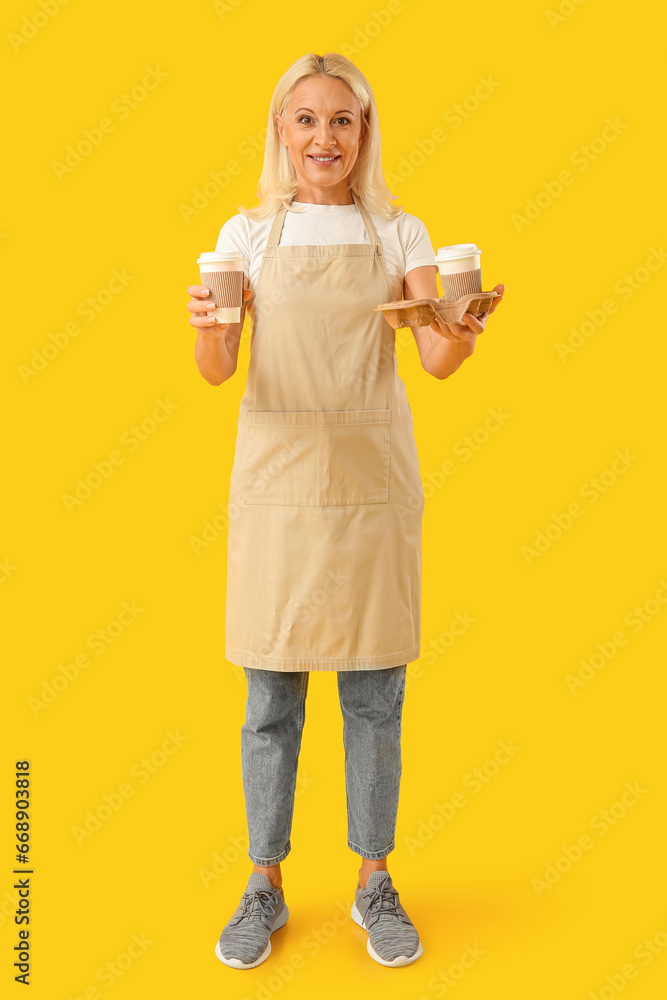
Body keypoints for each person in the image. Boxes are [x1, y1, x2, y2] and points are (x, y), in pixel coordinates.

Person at [187, 52, 504, 972]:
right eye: (306, 119)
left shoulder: (400, 234)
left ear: (364, 134)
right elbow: (215, 373)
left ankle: (373, 881)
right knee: (268, 696)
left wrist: (462, 331)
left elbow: (435, 363)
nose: (324, 138)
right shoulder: (243, 237)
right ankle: (264, 885)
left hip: (369, 482)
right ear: (280, 132)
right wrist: (207, 324)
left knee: (374, 695)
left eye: (343, 121)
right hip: (278, 481)